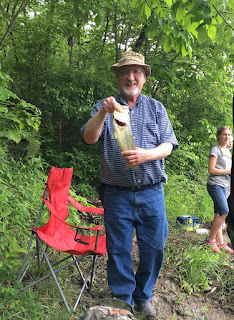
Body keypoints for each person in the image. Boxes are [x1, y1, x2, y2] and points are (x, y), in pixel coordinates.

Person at [81, 50, 178, 319]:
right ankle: (122, 301)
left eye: (137, 71)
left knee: (154, 247)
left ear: (144, 76)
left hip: (152, 191)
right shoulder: (105, 106)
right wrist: (103, 111)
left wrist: (147, 154)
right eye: (125, 72)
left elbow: (168, 145)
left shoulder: (157, 108)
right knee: (119, 250)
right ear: (117, 77)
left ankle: (143, 296)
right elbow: (89, 138)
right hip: (116, 194)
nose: (131, 76)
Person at [206, 126, 233, 254]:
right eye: (224, 134)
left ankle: (221, 243)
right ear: (218, 136)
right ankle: (210, 240)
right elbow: (211, 170)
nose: (226, 137)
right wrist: (228, 171)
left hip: (224, 185)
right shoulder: (215, 150)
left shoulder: (227, 151)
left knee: (218, 213)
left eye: (228, 134)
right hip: (215, 184)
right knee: (224, 211)